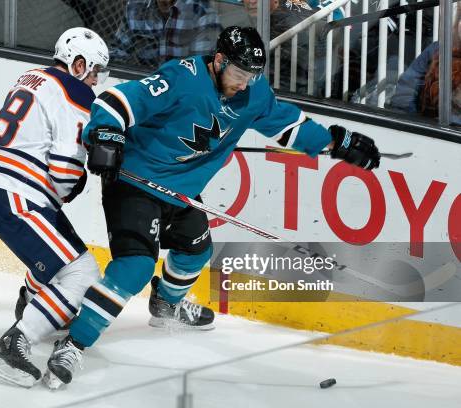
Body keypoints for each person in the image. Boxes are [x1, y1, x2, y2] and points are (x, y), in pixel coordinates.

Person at [43, 25, 381, 389]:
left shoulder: (253, 94)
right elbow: (115, 102)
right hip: (135, 182)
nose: (243, 84)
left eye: (251, 77)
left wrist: (335, 143)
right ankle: (74, 344)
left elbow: (289, 128)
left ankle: (166, 304)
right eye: (237, 74)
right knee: (135, 267)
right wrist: (106, 135)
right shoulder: (182, 78)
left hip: (182, 191)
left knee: (196, 252)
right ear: (218, 61)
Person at [0, 27, 110, 388]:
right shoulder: (76, 90)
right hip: (17, 195)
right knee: (82, 274)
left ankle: (33, 302)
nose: (95, 79)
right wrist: (78, 181)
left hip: (1, 189)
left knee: (67, 252)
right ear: (77, 64)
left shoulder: (32, 76)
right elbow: (64, 170)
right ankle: (15, 342)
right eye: (93, 70)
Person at [110, 0, 222, 68]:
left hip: (181, 87)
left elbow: (200, 69)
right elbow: (118, 53)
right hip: (144, 84)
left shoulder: (202, 12)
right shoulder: (136, 6)